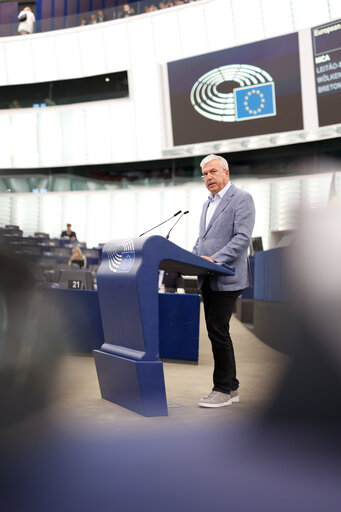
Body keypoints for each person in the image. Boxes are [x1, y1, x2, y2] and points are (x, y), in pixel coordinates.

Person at [193, 154, 255, 408]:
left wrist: (213, 261)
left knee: (218, 330)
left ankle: (221, 388)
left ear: (226, 173)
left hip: (228, 275)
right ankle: (232, 387)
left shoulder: (241, 198)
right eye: (205, 174)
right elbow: (202, 239)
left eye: (213, 172)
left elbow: (242, 238)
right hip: (207, 276)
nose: (209, 177)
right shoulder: (207, 204)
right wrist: (193, 257)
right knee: (218, 331)